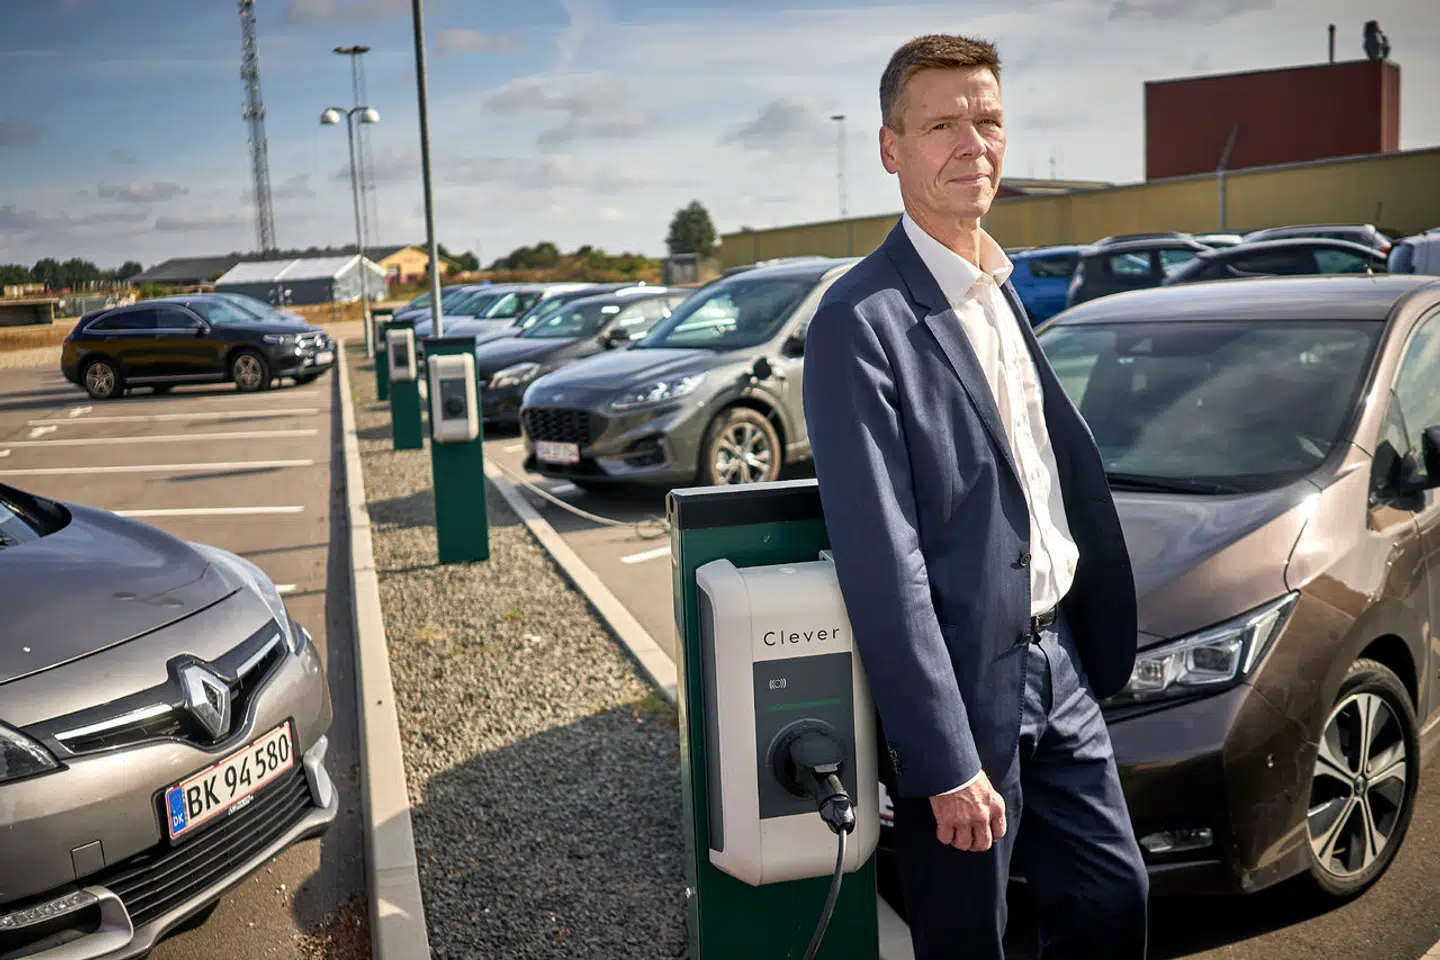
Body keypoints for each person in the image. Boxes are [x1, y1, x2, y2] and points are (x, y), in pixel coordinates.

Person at [802, 33, 1148, 959]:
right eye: (942, 123)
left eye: (987, 120)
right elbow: (884, 558)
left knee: (1115, 898)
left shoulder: (997, 288)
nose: (972, 142)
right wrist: (946, 756)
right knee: (969, 939)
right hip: (965, 688)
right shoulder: (858, 321)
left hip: (1060, 660)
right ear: (891, 149)